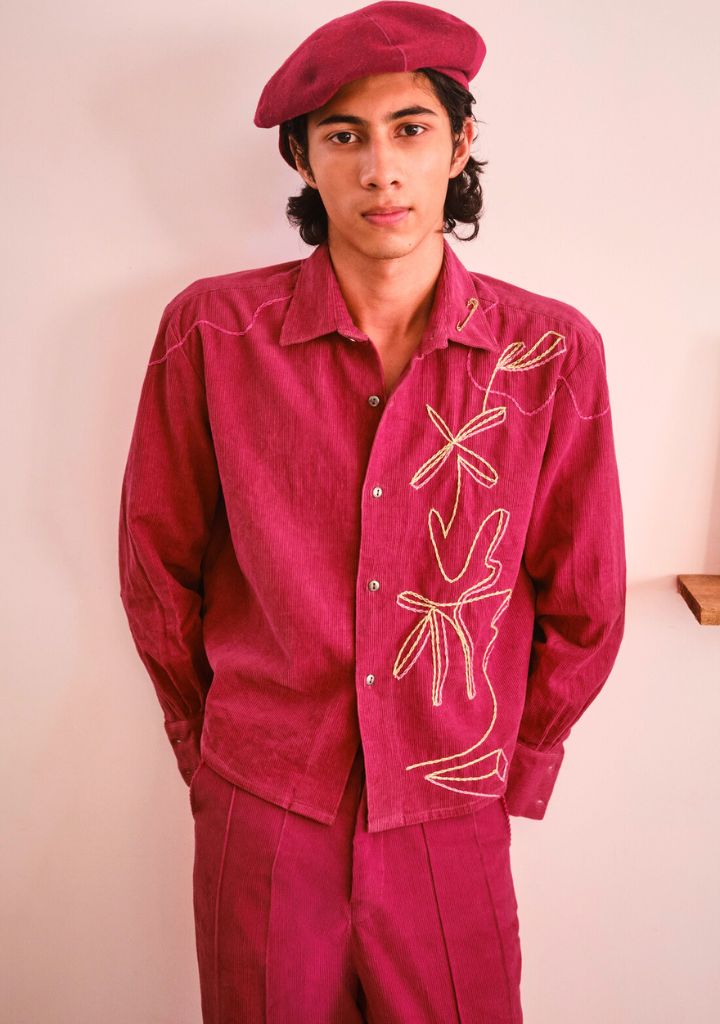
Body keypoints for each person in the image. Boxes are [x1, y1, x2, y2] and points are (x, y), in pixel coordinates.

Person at [117, 3, 627, 1021]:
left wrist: (516, 762)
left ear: (459, 145)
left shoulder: (549, 354)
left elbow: (587, 594)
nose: (381, 170)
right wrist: (209, 747)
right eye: (344, 136)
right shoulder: (213, 333)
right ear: (302, 158)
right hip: (263, 804)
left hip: (452, 811)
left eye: (410, 129)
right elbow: (155, 563)